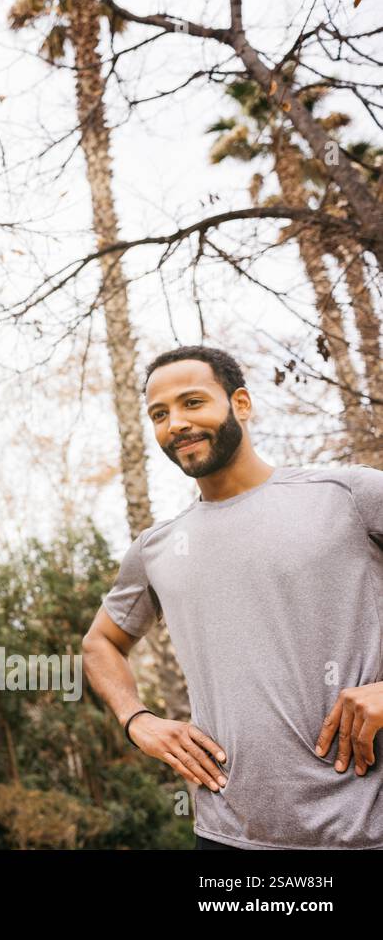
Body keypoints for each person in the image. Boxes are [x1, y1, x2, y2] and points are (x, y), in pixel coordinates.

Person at [82, 344, 383, 850]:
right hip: (226, 840)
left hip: (365, 833)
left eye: (192, 402)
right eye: (159, 414)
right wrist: (139, 721)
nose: (175, 423)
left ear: (240, 403)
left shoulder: (349, 495)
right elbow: (99, 645)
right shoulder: (155, 548)